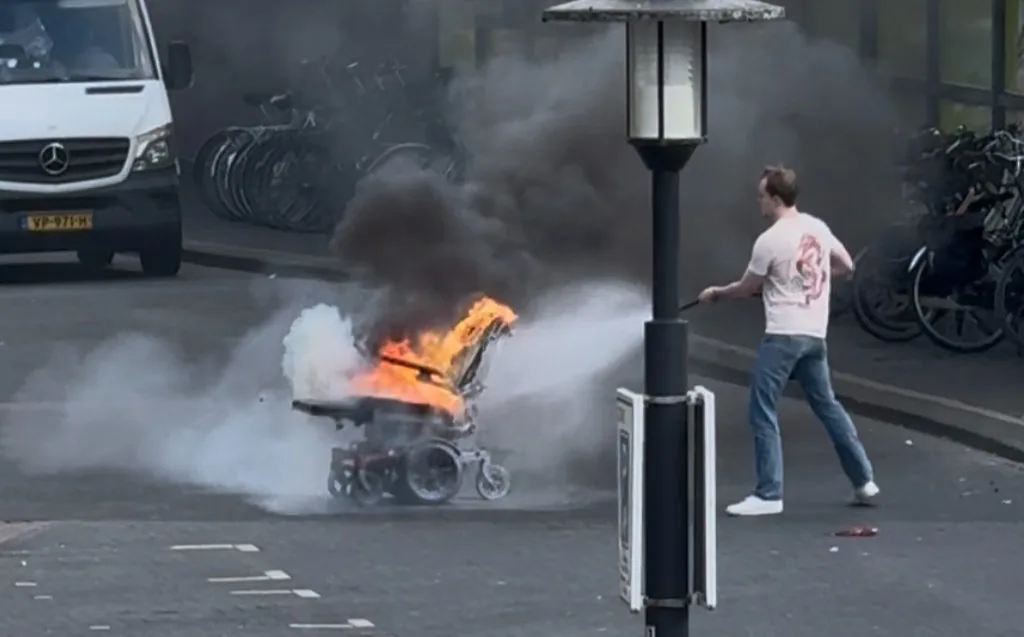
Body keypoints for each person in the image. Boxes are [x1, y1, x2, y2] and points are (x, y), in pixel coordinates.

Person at [697, 165, 878, 517]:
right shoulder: (818, 227)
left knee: (761, 410)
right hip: (814, 336)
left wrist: (716, 292)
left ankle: (769, 494)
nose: (758, 202)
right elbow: (847, 266)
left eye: (761, 196)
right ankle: (864, 480)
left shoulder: (770, 240)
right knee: (828, 406)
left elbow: (747, 286)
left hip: (783, 336)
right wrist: (815, 281)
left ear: (776, 199)